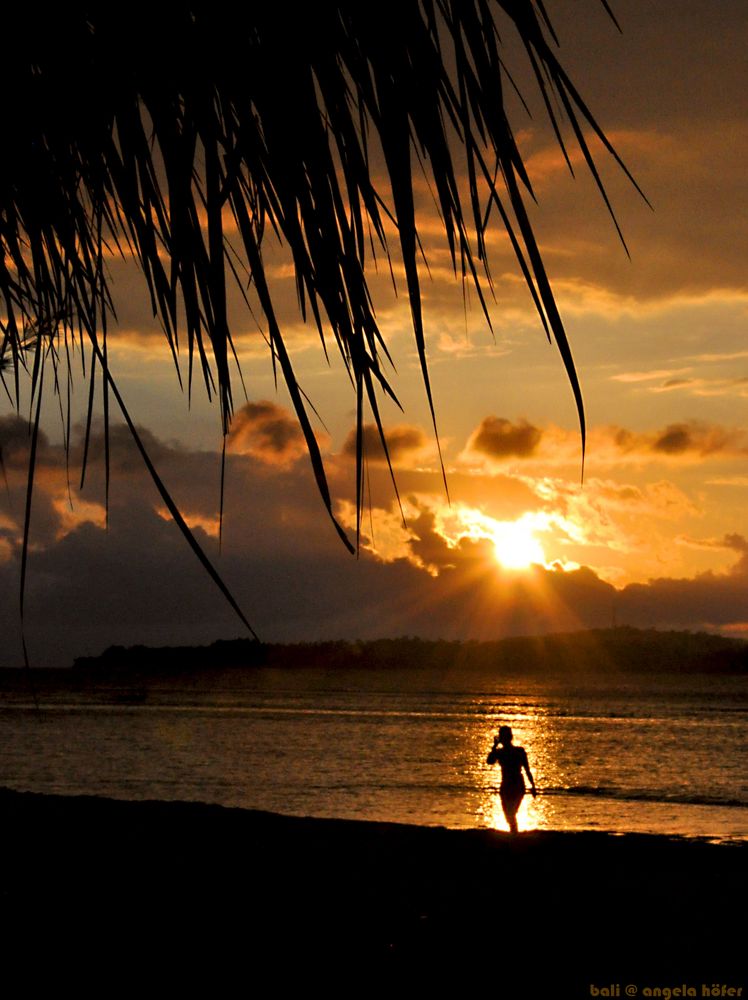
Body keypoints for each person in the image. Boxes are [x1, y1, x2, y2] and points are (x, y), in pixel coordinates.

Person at [486, 725, 537, 834]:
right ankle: (514, 833)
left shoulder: (519, 751)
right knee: (508, 813)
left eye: (504, 736)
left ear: (510, 737)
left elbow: (527, 769)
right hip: (506, 785)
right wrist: (494, 746)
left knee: (511, 812)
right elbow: (489, 761)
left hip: (517, 784)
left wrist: (533, 786)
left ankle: (514, 834)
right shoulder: (499, 752)